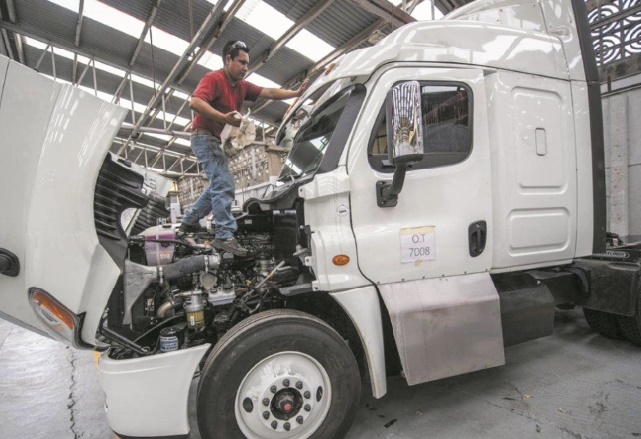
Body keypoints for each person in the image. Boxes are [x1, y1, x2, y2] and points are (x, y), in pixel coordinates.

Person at [180, 40, 308, 256]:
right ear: (227, 59)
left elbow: (269, 92)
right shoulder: (214, 78)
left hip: (214, 140)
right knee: (223, 183)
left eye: (247, 63)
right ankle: (224, 236)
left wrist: (294, 94)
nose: (245, 68)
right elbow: (195, 102)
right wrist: (223, 118)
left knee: (217, 185)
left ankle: (188, 223)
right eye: (241, 62)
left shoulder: (241, 87)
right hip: (203, 137)